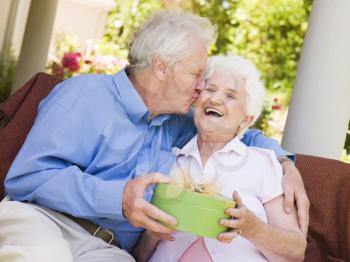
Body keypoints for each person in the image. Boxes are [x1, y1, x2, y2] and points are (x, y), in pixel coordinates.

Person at [0, 11, 308, 262]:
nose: (202, 87)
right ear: (161, 67)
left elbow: (237, 131)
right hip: (44, 221)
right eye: (196, 75)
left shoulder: (178, 122)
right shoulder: (84, 96)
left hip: (107, 249)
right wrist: (118, 199)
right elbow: (29, 177)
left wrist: (285, 163)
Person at [133, 55, 307, 262]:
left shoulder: (263, 163)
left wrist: (252, 228)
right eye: (210, 89)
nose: (215, 99)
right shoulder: (168, 162)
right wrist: (152, 235)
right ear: (196, 101)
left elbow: (296, 252)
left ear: (247, 118)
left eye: (230, 96)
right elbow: (138, 256)